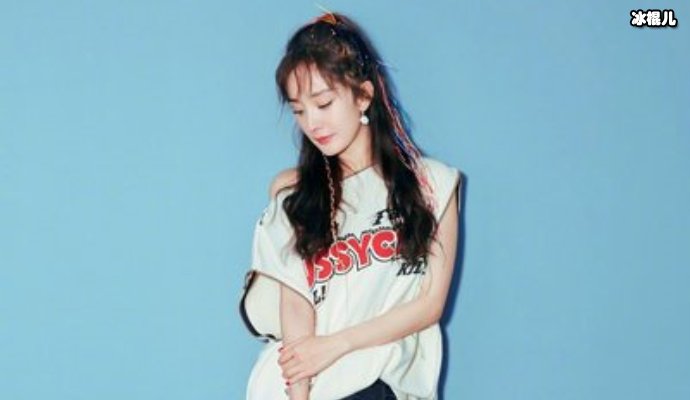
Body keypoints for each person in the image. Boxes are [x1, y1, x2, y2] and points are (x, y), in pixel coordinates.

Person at [240, 11, 462, 400]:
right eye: (299, 110)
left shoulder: (431, 183)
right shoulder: (294, 192)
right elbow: (295, 301)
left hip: (379, 380)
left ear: (364, 95)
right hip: (302, 387)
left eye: (323, 103)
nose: (312, 123)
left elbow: (430, 304)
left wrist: (336, 345)